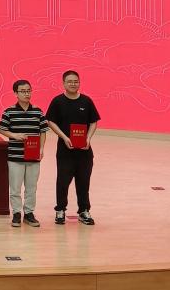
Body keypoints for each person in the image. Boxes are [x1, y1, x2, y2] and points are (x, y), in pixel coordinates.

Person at [45, 70, 100, 226]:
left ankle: (84, 211)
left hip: (84, 151)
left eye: (76, 81)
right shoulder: (58, 101)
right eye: (70, 81)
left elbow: (93, 121)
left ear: (79, 82)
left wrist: (88, 138)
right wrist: (64, 137)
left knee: (84, 182)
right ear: (63, 83)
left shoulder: (86, 101)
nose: (73, 84)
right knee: (63, 182)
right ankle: (60, 210)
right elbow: (50, 121)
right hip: (65, 151)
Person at [0, 79, 48, 228]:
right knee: (15, 188)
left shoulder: (38, 111)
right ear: (16, 93)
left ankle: (29, 213)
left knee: (31, 187)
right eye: (23, 91)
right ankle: (16, 213)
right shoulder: (9, 111)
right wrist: (14, 135)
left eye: (28, 91)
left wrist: (41, 148)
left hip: (33, 155)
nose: (27, 94)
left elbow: (43, 131)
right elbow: (2, 129)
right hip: (15, 156)